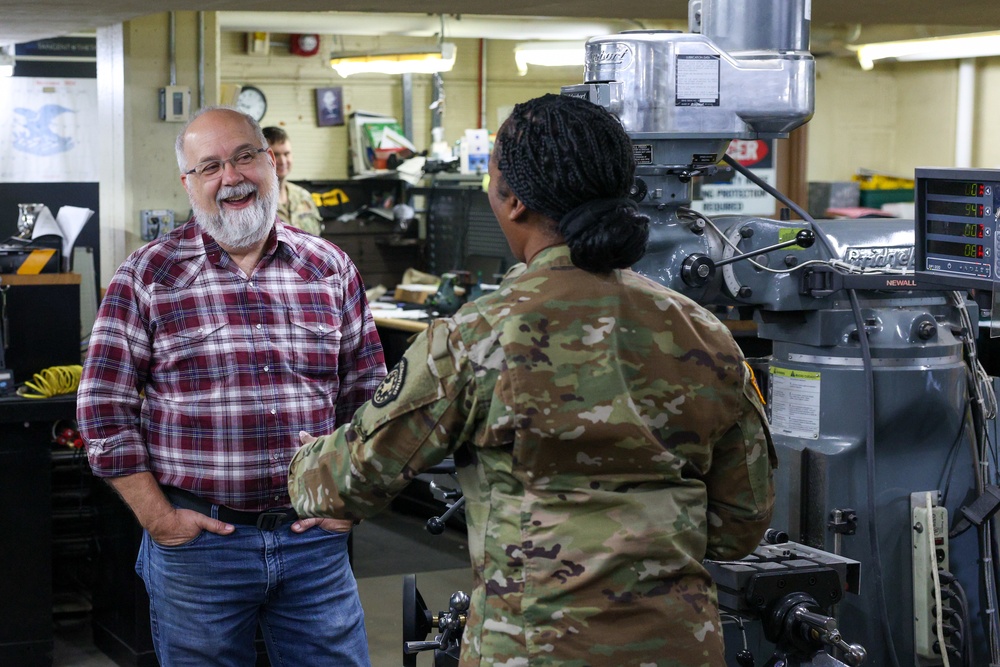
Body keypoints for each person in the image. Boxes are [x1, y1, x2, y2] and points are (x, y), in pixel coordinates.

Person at [288, 93, 776, 665]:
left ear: (513, 200)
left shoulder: (476, 337)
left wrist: (309, 460)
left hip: (530, 646)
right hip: (678, 644)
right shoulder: (706, 334)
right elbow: (742, 523)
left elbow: (340, 484)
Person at [77, 106, 385, 666]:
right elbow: (103, 409)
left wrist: (355, 498)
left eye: (245, 157)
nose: (232, 177)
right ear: (188, 183)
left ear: (271, 163)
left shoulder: (330, 268)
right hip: (199, 550)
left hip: (313, 542)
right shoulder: (149, 276)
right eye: (210, 166)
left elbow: (369, 400)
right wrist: (159, 519)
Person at [263, 125, 324, 235]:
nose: (283, 160)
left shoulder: (303, 197)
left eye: (286, 154)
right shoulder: (256, 201)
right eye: (276, 155)